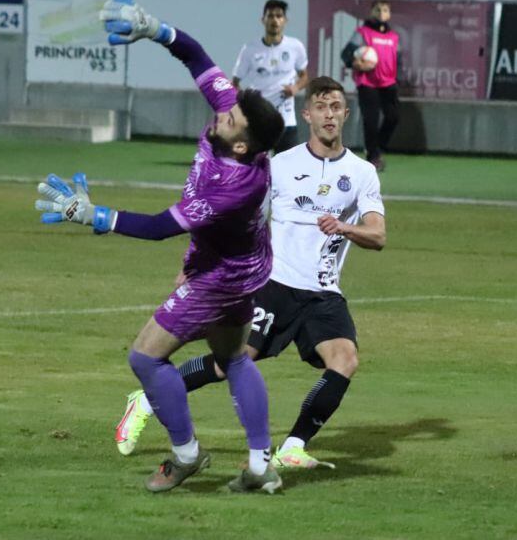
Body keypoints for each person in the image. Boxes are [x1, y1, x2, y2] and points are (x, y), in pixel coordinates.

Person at [36, 0, 286, 494]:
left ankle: (186, 454)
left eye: (231, 119)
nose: (222, 112)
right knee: (234, 358)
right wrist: (154, 29)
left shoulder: (233, 187)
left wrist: (90, 214)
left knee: (146, 358)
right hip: (241, 264)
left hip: (221, 275)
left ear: (241, 146)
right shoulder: (233, 126)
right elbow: (197, 57)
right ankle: (260, 464)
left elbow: (156, 227)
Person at [115, 76, 386, 472]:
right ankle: (144, 399)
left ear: (346, 113)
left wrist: (346, 227)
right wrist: (191, 264)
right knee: (231, 362)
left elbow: (378, 235)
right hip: (273, 282)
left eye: (336, 107)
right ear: (307, 113)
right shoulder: (278, 166)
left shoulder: (362, 173)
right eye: (322, 106)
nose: (329, 114)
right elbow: (232, 219)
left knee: (344, 359)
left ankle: (292, 446)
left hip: (323, 292)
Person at [231, 0, 309, 154]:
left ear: (285, 20)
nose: (275, 20)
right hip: (259, 122)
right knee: (254, 171)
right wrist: (248, 103)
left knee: (290, 171)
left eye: (279, 16)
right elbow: (234, 82)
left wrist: (295, 88)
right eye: (270, 16)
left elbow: (305, 76)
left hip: (286, 120)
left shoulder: (295, 46)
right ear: (263, 20)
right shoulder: (250, 49)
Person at [340, 0, 401, 172]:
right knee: (371, 120)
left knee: (393, 117)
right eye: (378, 9)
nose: (381, 13)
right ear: (371, 12)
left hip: (389, 83)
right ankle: (373, 157)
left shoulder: (394, 37)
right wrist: (354, 63)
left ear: (389, 14)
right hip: (368, 84)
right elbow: (345, 53)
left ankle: (376, 147)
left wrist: (399, 79)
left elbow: (399, 61)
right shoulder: (363, 33)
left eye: (385, 9)